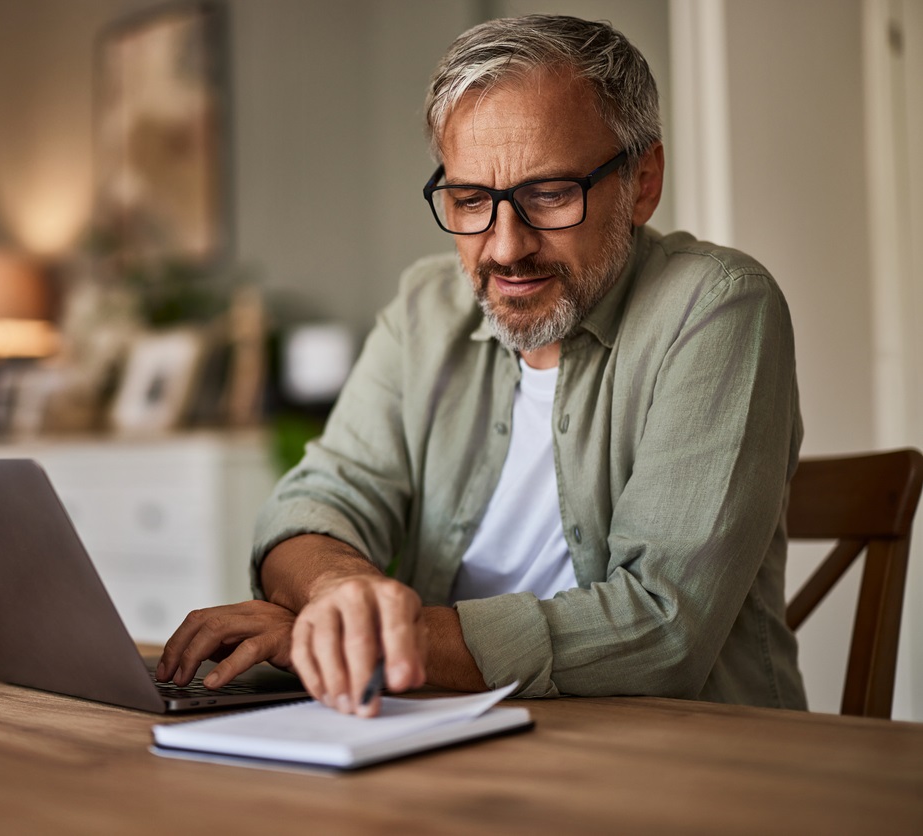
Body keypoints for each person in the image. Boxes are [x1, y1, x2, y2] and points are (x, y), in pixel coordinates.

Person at [158, 14, 806, 717]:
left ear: (641, 182)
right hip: (447, 737)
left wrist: (392, 636)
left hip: (686, 761)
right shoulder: (424, 307)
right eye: (469, 200)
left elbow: (661, 626)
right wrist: (338, 593)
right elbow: (317, 503)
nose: (503, 247)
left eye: (549, 194)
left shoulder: (716, 308)